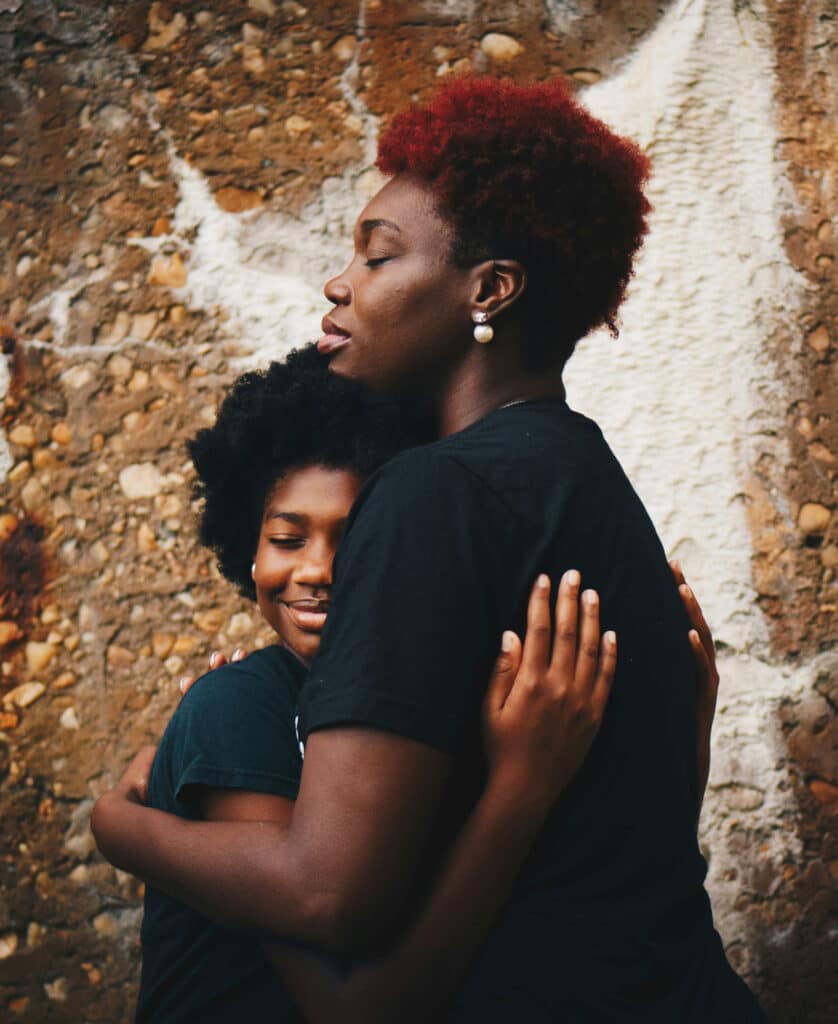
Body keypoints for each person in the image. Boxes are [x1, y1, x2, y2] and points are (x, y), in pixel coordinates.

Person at [93, 76, 763, 1019]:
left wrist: (122, 826)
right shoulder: (592, 483)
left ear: (489, 290)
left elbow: (329, 895)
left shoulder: (432, 492)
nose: (341, 283)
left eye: (377, 256)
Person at [135, 344, 618, 1022]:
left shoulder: (425, 707)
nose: (318, 569)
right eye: (288, 538)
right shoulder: (239, 707)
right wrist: (522, 787)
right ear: (247, 545)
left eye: (355, 537)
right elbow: (358, 1008)